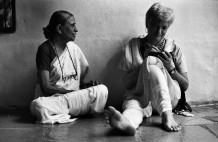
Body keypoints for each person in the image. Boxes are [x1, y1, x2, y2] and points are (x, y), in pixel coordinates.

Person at [106, 3, 191, 135]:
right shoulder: (132, 45)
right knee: (133, 106)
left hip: (169, 98)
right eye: (155, 26)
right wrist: (143, 64)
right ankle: (128, 123)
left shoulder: (175, 48)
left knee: (151, 60)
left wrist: (171, 69)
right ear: (147, 24)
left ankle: (167, 114)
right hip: (139, 96)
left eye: (164, 28)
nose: (159, 32)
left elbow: (185, 85)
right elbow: (126, 84)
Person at [30, 10, 108, 124]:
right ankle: (75, 110)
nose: (76, 29)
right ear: (59, 29)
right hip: (55, 99)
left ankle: (66, 111)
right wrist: (71, 93)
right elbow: (45, 87)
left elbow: (79, 79)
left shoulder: (74, 48)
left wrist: (86, 86)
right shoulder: (45, 49)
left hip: (74, 99)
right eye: (72, 25)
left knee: (102, 90)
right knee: (37, 105)